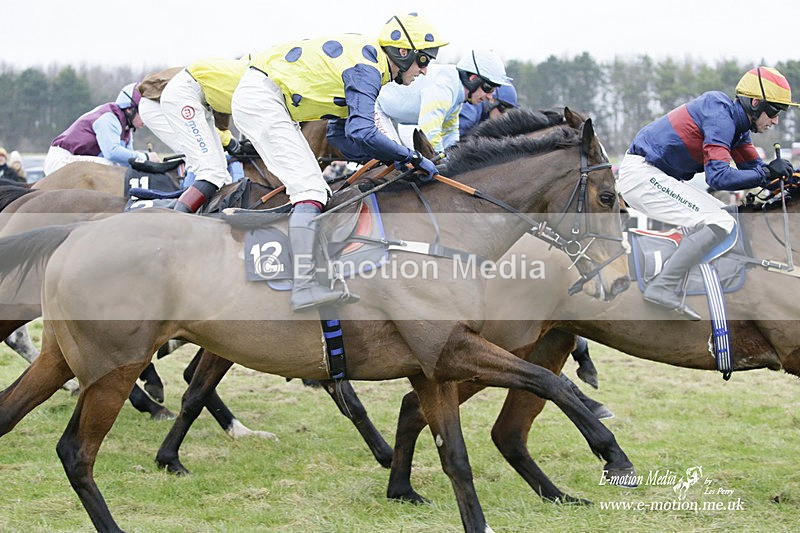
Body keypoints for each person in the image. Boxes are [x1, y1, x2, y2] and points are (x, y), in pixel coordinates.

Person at [231, 13, 447, 311]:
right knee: (311, 191)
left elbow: (340, 135)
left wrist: (391, 158)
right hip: (263, 99)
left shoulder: (371, 66)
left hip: (268, 98)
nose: (424, 71)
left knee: (317, 191)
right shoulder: (367, 70)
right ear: (403, 52)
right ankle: (304, 286)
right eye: (424, 60)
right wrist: (408, 156)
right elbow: (362, 131)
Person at [618, 66, 798, 320]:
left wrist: (789, 175)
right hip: (641, 174)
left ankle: (692, 280)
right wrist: (767, 174)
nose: (776, 120)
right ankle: (664, 285)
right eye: (774, 111)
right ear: (756, 103)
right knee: (719, 221)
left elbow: (758, 172)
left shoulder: (739, 127)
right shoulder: (720, 115)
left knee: (727, 216)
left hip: (657, 176)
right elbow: (718, 177)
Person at [356, 49, 511, 155]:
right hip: (377, 107)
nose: (490, 97)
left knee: (414, 165)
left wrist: (455, 158)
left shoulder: (457, 94)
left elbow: (450, 133)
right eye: (489, 88)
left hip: (407, 124)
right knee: (394, 157)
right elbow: (431, 133)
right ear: (473, 79)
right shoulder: (445, 86)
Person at [138, 64, 248, 190]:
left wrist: (228, 140)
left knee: (218, 161)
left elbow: (220, 123)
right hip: (154, 105)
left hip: (180, 98)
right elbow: (220, 121)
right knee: (195, 156)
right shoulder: (237, 82)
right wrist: (229, 141)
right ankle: (185, 204)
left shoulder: (236, 76)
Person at [43, 83, 161, 175]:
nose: (146, 120)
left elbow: (127, 162)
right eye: (144, 114)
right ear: (130, 109)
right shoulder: (109, 118)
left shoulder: (126, 128)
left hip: (73, 159)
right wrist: (145, 157)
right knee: (110, 166)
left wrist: (148, 165)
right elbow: (112, 153)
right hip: (61, 159)